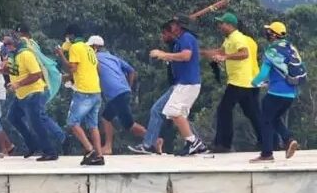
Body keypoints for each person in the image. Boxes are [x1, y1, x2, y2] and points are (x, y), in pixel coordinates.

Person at [200, 12, 261, 152]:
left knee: (223, 110)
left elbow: (244, 53)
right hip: (244, 82)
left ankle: (223, 144)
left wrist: (226, 57)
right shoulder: (228, 39)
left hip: (239, 81)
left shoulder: (237, 38)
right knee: (252, 113)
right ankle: (267, 140)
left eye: (222, 23)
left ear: (229, 25)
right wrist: (201, 52)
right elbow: (220, 52)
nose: (220, 26)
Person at [147, 18, 209, 156]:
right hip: (185, 83)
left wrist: (163, 54)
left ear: (180, 26)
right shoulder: (179, 41)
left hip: (188, 83)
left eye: (173, 24)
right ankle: (193, 143)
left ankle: (193, 142)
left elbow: (186, 56)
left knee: (172, 111)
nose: (171, 26)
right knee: (179, 114)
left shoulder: (186, 37)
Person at [2, 35, 62, 162]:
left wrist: (18, 84)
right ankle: (32, 144)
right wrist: (0, 70)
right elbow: (15, 72)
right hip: (21, 95)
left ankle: (50, 151)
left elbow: (37, 74)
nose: (5, 47)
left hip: (34, 93)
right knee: (13, 117)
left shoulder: (26, 54)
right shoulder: (14, 56)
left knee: (36, 123)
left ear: (15, 44)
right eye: (4, 44)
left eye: (7, 44)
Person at [249, 22, 301, 162]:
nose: (267, 33)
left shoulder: (272, 51)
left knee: (266, 121)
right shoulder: (291, 48)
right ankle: (289, 139)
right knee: (274, 118)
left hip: (275, 94)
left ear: (273, 35)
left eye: (269, 31)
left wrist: (253, 82)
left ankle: (267, 154)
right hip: (290, 94)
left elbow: (263, 73)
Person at [87, 35, 146, 154]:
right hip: (123, 92)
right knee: (106, 117)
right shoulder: (113, 58)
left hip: (116, 94)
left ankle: (154, 140)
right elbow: (131, 71)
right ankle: (108, 147)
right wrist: (128, 87)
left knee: (130, 125)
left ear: (95, 47)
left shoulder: (94, 58)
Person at [55, 25, 104, 166]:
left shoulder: (75, 47)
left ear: (71, 36)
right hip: (96, 90)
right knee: (93, 125)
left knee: (73, 122)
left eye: (68, 37)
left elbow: (73, 67)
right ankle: (99, 156)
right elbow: (98, 69)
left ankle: (90, 151)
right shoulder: (89, 49)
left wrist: (61, 54)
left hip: (84, 91)